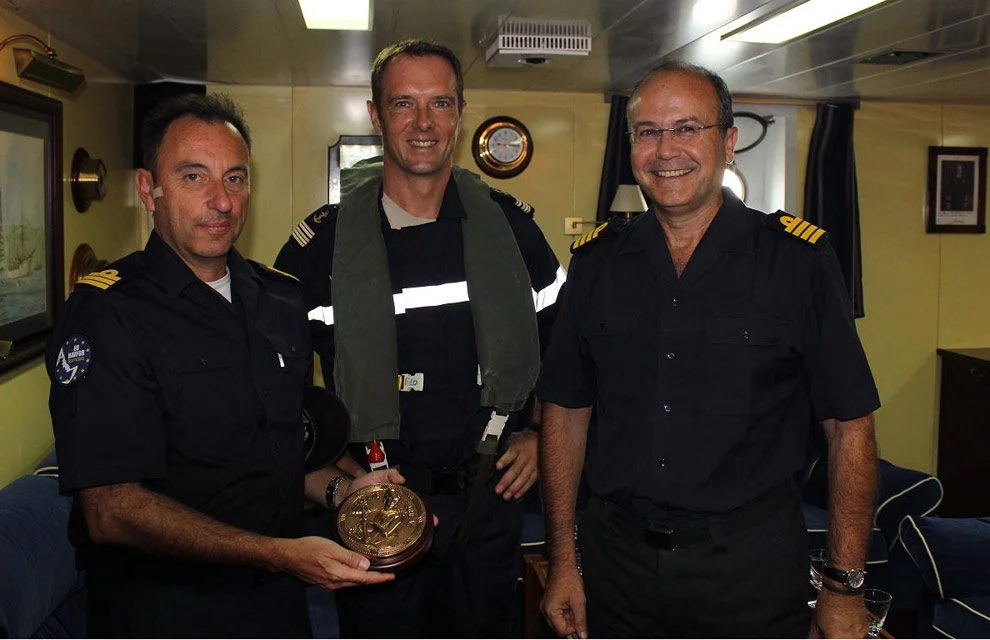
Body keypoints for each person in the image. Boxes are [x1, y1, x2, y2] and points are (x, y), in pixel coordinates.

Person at [537, 61, 880, 639]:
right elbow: (565, 415)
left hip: (749, 575)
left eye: (687, 128)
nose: (665, 149)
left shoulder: (798, 263)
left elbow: (851, 429)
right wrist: (562, 563)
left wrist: (845, 588)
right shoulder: (596, 264)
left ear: (728, 142)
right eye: (647, 131)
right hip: (615, 569)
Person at [47, 93, 397, 639]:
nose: (221, 202)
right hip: (166, 612)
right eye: (193, 177)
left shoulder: (281, 299)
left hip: (279, 605)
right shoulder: (107, 312)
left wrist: (344, 493)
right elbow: (111, 509)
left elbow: (283, 454)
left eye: (234, 179)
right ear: (148, 189)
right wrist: (276, 554)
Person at [275, 40, 564, 637]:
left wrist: (538, 434)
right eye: (404, 104)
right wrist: (335, 482)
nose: (424, 123)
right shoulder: (317, 251)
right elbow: (282, 400)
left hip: (489, 503)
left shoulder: (514, 233)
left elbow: (566, 352)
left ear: (459, 113)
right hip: (375, 507)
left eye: (440, 103)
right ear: (376, 116)